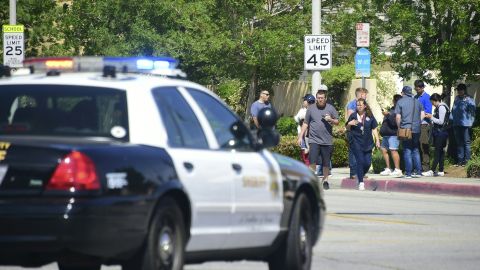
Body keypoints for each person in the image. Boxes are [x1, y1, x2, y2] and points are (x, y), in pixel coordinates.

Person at [298, 89, 339, 190]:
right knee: (312, 161)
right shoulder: (311, 109)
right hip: (314, 140)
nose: (320, 100)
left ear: (325, 98)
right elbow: (306, 123)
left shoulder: (331, 108)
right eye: (318, 98)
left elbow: (337, 121)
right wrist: (300, 136)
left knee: (326, 163)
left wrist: (331, 120)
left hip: (327, 140)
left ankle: (325, 180)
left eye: (322, 98)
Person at [346, 98, 380, 190]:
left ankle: (359, 175)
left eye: (361, 105)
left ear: (365, 106)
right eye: (357, 105)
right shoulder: (353, 115)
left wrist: (377, 140)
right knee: (360, 161)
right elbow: (348, 128)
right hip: (356, 142)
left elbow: (374, 128)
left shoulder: (369, 116)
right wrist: (350, 124)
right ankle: (361, 183)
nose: (359, 106)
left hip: (368, 142)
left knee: (367, 163)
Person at [395, 86, 425, 179]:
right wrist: (417, 122)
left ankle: (408, 173)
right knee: (415, 149)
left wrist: (399, 127)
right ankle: (418, 172)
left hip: (405, 128)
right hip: (416, 129)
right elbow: (423, 114)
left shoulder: (400, 102)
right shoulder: (417, 101)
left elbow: (398, 117)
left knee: (407, 150)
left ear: (403, 93)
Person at [423, 93, 449, 176]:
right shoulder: (439, 108)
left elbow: (441, 122)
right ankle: (441, 170)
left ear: (435, 101)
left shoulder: (441, 107)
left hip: (441, 132)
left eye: (432, 103)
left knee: (437, 152)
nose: (432, 105)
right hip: (440, 132)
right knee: (440, 152)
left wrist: (431, 117)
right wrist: (431, 118)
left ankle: (432, 170)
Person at [451, 83, 476, 166]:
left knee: (466, 142)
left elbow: (472, 112)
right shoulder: (457, 98)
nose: (458, 91)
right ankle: (460, 160)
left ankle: (467, 161)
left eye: (460, 90)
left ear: (464, 90)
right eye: (458, 90)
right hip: (456, 124)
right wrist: (451, 119)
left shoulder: (469, 99)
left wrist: (471, 123)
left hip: (466, 124)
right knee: (459, 143)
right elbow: (453, 110)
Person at [346, 87, 369, 179]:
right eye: (365, 94)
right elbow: (351, 118)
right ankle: (353, 173)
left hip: (362, 132)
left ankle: (361, 172)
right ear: (360, 94)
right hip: (353, 132)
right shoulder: (352, 104)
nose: (366, 96)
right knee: (353, 153)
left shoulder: (365, 104)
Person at [379, 94, 403, 177]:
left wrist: (388, 115)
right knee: (383, 149)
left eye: (393, 100)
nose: (392, 101)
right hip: (386, 134)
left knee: (393, 150)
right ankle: (388, 168)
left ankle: (398, 169)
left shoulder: (399, 110)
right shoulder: (392, 109)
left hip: (393, 134)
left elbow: (395, 123)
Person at [414, 80, 432, 172]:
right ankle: (418, 167)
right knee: (416, 146)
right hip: (416, 125)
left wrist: (419, 116)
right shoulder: (415, 97)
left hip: (423, 125)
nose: (416, 90)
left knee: (423, 145)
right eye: (415, 88)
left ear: (422, 88)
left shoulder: (426, 97)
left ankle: (426, 168)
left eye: (418, 89)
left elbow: (428, 112)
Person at [294, 94, 315, 165]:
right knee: (304, 152)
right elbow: (296, 119)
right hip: (303, 134)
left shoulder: (308, 111)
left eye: (305, 100)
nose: (303, 102)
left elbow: (302, 121)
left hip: (307, 135)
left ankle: (308, 168)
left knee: (307, 153)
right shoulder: (303, 110)